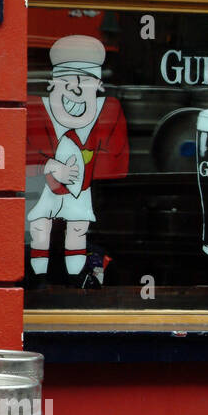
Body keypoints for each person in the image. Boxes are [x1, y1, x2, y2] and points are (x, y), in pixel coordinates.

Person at [26, 34, 128, 283]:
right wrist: (48, 167)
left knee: (78, 231)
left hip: (82, 199)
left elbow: (116, 166)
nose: (76, 89)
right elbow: (16, 160)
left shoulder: (109, 111)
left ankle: (74, 284)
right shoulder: (35, 111)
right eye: (67, 81)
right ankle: (39, 280)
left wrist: (79, 168)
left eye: (85, 80)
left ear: (99, 86)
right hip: (40, 200)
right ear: (53, 84)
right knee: (40, 231)